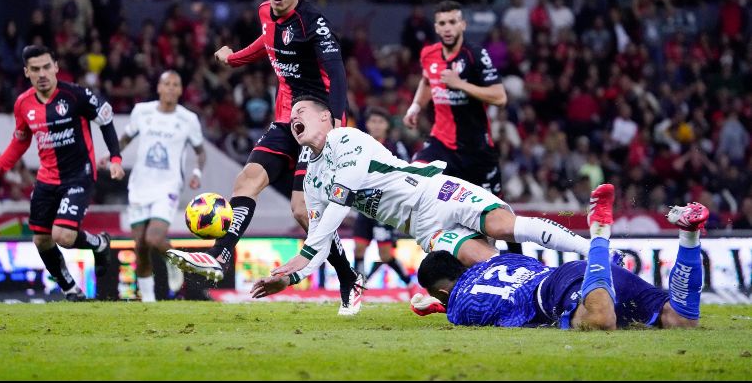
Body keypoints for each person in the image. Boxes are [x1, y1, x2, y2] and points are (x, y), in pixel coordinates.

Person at [248, 98, 598, 306]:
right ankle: (560, 294)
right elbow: (323, 241)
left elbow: (339, 206)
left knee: (503, 226)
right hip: (423, 228)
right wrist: (292, 278)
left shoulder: (347, 139)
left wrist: (304, 256)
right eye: (291, 113)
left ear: (326, 117)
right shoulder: (311, 181)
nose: (294, 116)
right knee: (487, 262)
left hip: (434, 193)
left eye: (302, 110)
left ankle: (596, 251)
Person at [166, 0, 363, 315]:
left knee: (302, 211)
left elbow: (336, 72)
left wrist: (335, 123)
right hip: (285, 118)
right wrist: (234, 58)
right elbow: (267, 44)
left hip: (317, 123)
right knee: (246, 181)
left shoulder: (312, 23)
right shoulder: (263, 12)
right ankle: (219, 256)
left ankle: (348, 277)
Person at [414, 184, 706, 330]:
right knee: (680, 319)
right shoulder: (500, 260)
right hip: (569, 275)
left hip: (556, 294)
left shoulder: (460, 308)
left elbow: (467, 307)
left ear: (443, 292)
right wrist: (439, 304)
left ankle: (600, 235)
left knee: (601, 321)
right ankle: (689, 235)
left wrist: (441, 308)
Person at [0, 45, 125, 301]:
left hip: (79, 176)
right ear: (27, 72)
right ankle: (71, 289)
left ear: (56, 67)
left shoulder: (75, 95)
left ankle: (99, 243)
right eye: (35, 69)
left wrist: (115, 157)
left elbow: (105, 119)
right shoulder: (23, 104)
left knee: (63, 236)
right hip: (47, 179)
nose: (42, 73)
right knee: (41, 240)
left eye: (47, 66)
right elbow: (20, 141)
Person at [402, 0, 523, 254]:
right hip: (441, 144)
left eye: (453, 22)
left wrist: (461, 84)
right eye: (442, 23)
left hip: (477, 150)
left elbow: (499, 97)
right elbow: (427, 80)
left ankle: (518, 259)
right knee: (414, 176)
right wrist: (415, 106)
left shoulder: (475, 55)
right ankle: (437, 244)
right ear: (436, 27)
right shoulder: (429, 54)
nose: (447, 28)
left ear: (463, 25)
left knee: (498, 214)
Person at [114, 70, 206, 302]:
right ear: (159, 88)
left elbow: (200, 151)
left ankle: (175, 262)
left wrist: (196, 172)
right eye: (167, 84)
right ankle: (148, 301)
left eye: (176, 84)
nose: (171, 88)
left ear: (180, 90)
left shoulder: (188, 119)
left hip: (167, 187)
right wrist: (112, 156)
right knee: (140, 246)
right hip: (139, 186)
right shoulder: (142, 112)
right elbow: (125, 137)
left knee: (153, 239)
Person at [352, 106, 415, 292]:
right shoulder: (359, 146)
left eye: (381, 122)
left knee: (385, 255)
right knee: (358, 248)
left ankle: (409, 283)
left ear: (387, 125)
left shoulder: (396, 147)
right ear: (368, 124)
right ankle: (358, 286)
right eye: (373, 121)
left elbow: (406, 173)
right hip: (364, 205)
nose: (377, 125)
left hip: (385, 207)